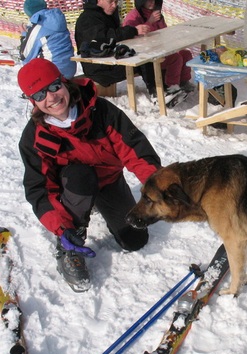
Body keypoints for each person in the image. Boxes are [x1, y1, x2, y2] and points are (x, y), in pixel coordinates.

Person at [17, 58, 161, 293]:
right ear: (32, 101)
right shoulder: (34, 137)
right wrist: (62, 228)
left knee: (135, 240)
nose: (51, 97)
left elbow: (135, 150)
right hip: (75, 187)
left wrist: (157, 187)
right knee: (80, 178)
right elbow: (40, 190)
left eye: (54, 87)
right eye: (40, 94)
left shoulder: (100, 110)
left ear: (63, 82)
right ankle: (70, 243)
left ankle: (99, 204)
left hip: (109, 181)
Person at [75, 0, 156, 95]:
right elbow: (106, 37)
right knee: (143, 60)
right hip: (98, 68)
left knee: (145, 56)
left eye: (116, 1)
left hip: (108, 60)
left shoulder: (105, 14)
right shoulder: (88, 18)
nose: (114, 5)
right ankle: (157, 93)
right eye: (111, 2)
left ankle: (162, 89)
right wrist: (133, 30)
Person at [123, 0, 195, 102]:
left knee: (186, 53)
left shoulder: (157, 14)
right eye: (148, 0)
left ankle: (183, 82)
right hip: (145, 56)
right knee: (175, 58)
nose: (152, 2)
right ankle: (171, 87)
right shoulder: (134, 16)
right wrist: (150, 22)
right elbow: (134, 39)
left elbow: (164, 33)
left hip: (160, 50)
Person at [19, 0, 77, 79]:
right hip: (70, 69)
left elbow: (25, 56)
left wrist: (24, 35)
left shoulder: (38, 27)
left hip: (53, 72)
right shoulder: (58, 20)